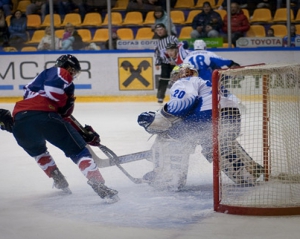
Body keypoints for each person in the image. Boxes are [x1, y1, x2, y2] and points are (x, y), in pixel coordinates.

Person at [6, 54, 119, 202]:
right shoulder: (58, 72)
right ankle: (98, 184)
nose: (73, 75)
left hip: (20, 121)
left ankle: (58, 179)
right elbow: (55, 98)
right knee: (78, 151)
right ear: (69, 66)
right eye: (73, 71)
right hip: (45, 116)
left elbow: (61, 116)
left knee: (38, 151)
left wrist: (81, 133)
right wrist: (65, 101)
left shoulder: (35, 88)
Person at [137, 63, 264, 191]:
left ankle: (169, 176)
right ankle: (247, 172)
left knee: (171, 136)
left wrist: (159, 117)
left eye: (176, 76)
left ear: (181, 74)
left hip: (208, 114)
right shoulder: (205, 82)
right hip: (230, 114)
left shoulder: (185, 81)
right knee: (215, 144)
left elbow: (183, 103)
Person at [154, 23, 179, 104]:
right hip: (165, 63)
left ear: (165, 30)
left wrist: (176, 60)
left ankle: (179, 93)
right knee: (163, 79)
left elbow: (179, 48)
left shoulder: (172, 38)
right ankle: (160, 97)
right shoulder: (158, 43)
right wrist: (157, 63)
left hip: (175, 63)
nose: (160, 32)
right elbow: (157, 53)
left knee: (178, 78)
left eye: (161, 30)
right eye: (158, 30)